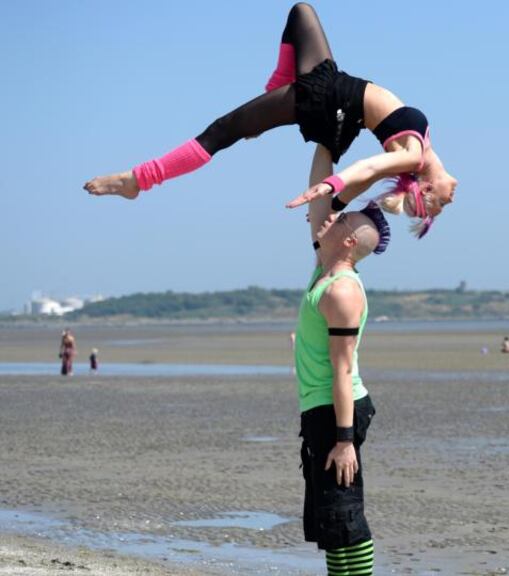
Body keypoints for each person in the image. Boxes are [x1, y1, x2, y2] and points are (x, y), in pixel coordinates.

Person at [84, 3, 457, 238]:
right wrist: (336, 206)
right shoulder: (422, 145)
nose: (450, 201)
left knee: (221, 131)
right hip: (335, 94)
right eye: (443, 207)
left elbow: (370, 166)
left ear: (424, 189)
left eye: (439, 205)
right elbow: (372, 176)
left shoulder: (413, 157)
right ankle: (274, 93)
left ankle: (138, 180)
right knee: (301, 12)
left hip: (329, 100)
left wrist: (329, 189)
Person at [295, 145, 388, 575]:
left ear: (349, 240)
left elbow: (343, 369)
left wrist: (345, 440)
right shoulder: (324, 267)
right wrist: (324, 141)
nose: (334, 215)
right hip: (321, 406)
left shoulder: (343, 290)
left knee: (345, 514)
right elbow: (319, 199)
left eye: (343, 217)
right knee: (330, 520)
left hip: (339, 410)